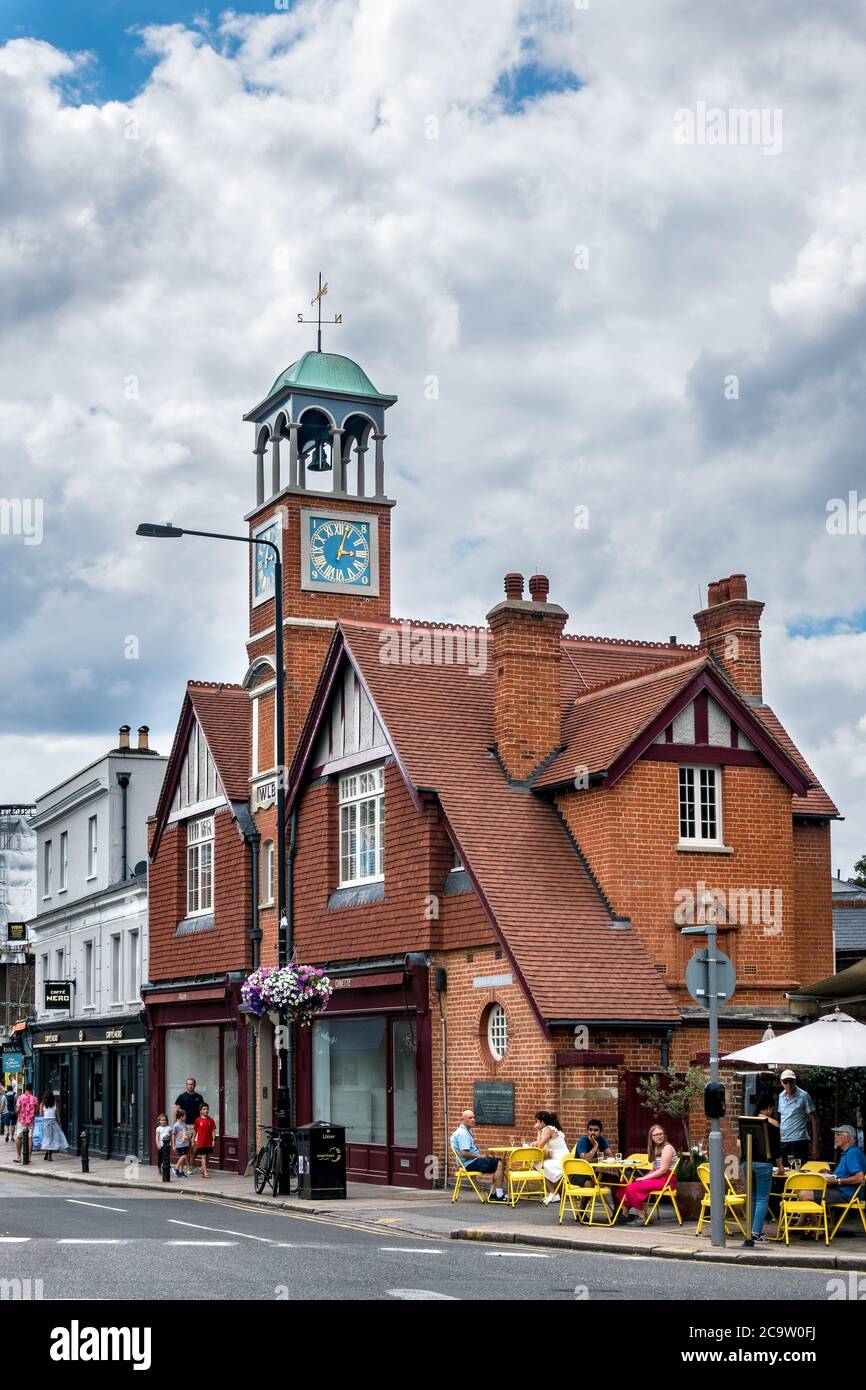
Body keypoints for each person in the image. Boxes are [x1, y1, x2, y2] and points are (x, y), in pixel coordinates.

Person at [740, 1092, 784, 1246]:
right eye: (772, 1108)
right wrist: (780, 1167)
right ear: (769, 1107)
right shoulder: (773, 1123)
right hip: (764, 1164)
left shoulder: (747, 1121)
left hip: (747, 1162)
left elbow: (739, 1144)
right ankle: (756, 1233)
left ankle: (749, 1231)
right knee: (761, 1198)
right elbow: (777, 1150)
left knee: (751, 1197)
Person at [617, 1124, 678, 1223]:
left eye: (661, 1134)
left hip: (666, 1180)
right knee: (625, 1184)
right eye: (656, 1135)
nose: (659, 1136)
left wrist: (644, 1178)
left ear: (664, 1135)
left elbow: (663, 1170)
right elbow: (654, 1169)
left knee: (631, 1187)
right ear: (651, 1137)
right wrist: (645, 1177)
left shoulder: (667, 1148)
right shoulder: (655, 1148)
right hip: (658, 1177)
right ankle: (625, 1214)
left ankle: (642, 1217)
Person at [450, 1109, 506, 1201]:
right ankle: (498, 1195)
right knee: (499, 1163)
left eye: (473, 1117)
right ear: (463, 1119)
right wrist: (479, 1156)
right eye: (470, 1118)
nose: (473, 1120)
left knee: (498, 1162)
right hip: (469, 1164)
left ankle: (495, 1193)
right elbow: (464, 1153)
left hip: (470, 1162)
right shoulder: (463, 1133)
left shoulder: (466, 1130)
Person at [778, 1069, 818, 1165]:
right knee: (785, 1171)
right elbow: (782, 1118)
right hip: (784, 1140)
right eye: (785, 1082)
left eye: (791, 1081)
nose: (788, 1085)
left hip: (799, 1140)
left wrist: (815, 1145)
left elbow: (814, 1118)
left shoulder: (803, 1096)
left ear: (795, 1081)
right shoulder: (780, 1096)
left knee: (798, 1171)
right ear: (781, 1082)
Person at [823, 1124, 866, 1209]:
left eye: (838, 1134)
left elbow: (860, 1178)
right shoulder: (850, 1152)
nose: (835, 1137)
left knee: (803, 1193)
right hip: (843, 1192)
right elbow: (847, 1175)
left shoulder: (852, 1153)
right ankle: (810, 1221)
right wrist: (830, 1173)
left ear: (848, 1138)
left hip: (847, 1194)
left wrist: (837, 1181)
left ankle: (811, 1221)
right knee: (806, 1191)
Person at [532, 1110, 570, 1204]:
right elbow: (544, 1142)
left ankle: (553, 1193)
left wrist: (538, 1131)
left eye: (537, 1121)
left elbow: (540, 1146)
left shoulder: (548, 1129)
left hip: (561, 1159)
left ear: (542, 1122)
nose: (536, 1124)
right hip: (563, 1157)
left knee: (538, 1165)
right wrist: (534, 1143)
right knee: (541, 1164)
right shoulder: (552, 1128)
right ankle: (553, 1193)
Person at [175, 1078, 205, 1163]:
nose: (190, 1086)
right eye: (188, 1084)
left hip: (197, 1125)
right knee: (187, 1146)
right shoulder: (181, 1097)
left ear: (195, 1085)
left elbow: (202, 1110)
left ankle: (192, 1160)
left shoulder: (199, 1097)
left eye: (192, 1084)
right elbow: (176, 1110)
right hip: (185, 1125)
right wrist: (175, 1124)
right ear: (186, 1085)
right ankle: (189, 1166)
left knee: (197, 1145)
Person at [39, 1089, 69, 1162]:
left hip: (45, 1121)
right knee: (52, 1139)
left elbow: (40, 1114)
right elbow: (58, 1114)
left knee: (47, 1138)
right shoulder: (55, 1103)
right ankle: (49, 1156)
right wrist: (60, 1123)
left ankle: (46, 1152)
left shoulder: (42, 1103)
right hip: (53, 1121)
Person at [12, 1084, 39, 1162]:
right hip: (31, 1121)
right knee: (30, 1138)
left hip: (21, 1120)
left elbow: (17, 1110)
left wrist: (19, 1111)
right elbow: (37, 1111)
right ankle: (29, 1158)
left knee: (19, 1137)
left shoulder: (20, 1097)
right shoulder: (35, 1099)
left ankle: (19, 1157)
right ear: (32, 1089)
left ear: (25, 1089)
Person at [193, 1103, 217, 1179]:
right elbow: (195, 1131)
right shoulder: (198, 1120)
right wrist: (193, 1140)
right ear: (201, 1111)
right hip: (201, 1141)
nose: (206, 1110)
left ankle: (202, 1168)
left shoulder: (211, 1120)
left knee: (207, 1157)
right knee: (203, 1156)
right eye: (204, 1109)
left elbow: (213, 1130)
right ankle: (205, 1171)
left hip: (209, 1141)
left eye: (207, 1109)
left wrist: (213, 1139)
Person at [172, 1105, 191, 1177]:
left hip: (185, 1143)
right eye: (184, 1116)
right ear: (180, 1117)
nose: (186, 1117)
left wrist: (188, 1137)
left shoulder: (184, 1124)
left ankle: (181, 1171)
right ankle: (176, 1169)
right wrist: (174, 1145)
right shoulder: (176, 1125)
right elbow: (173, 1135)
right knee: (184, 1156)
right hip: (180, 1144)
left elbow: (186, 1132)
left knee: (184, 1158)